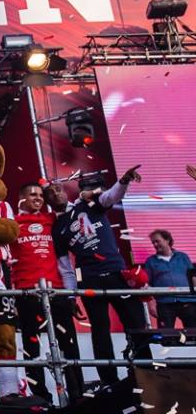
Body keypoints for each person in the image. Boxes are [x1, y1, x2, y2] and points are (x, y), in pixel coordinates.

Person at [51, 165, 152, 388]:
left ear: (65, 192)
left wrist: (124, 180)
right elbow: (65, 267)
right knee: (99, 329)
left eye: (58, 189)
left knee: (135, 323)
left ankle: (146, 374)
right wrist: (71, 296)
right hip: (90, 279)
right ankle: (109, 381)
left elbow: (110, 197)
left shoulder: (87, 203)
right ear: (48, 200)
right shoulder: (57, 228)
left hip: (117, 273)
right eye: (51, 192)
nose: (56, 193)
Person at [10, 182, 83, 403]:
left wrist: (71, 295)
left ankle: (77, 394)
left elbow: (72, 209)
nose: (38, 199)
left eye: (41, 195)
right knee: (31, 345)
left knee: (68, 344)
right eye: (33, 195)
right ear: (22, 198)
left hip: (56, 291)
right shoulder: (12, 224)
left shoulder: (52, 219)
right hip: (26, 292)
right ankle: (40, 396)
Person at [144, 229, 196, 328]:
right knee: (166, 334)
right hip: (164, 302)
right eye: (153, 242)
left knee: (193, 332)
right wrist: (151, 302)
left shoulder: (183, 257)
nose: (155, 244)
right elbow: (147, 283)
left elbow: (193, 277)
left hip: (188, 300)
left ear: (167, 240)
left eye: (157, 241)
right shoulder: (150, 261)